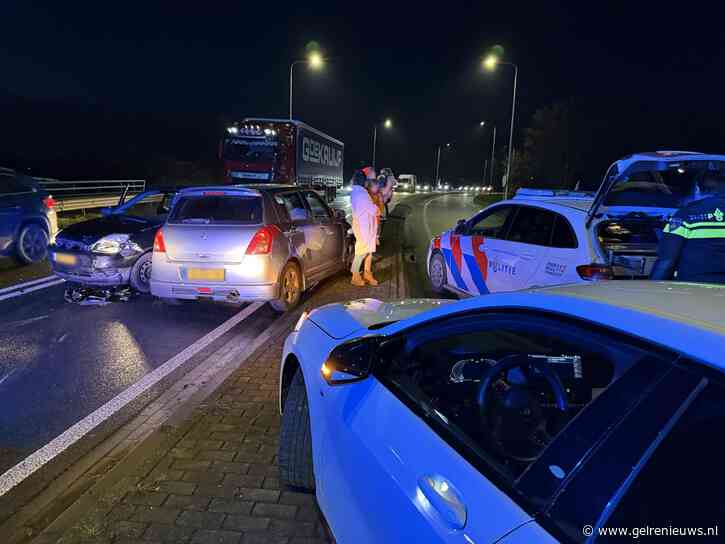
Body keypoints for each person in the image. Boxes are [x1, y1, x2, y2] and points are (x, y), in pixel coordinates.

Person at [650, 172, 725, 283]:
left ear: (697, 189)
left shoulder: (686, 214)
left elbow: (667, 260)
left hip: (692, 290)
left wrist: (653, 289)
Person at [350, 168, 380, 286]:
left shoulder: (357, 192)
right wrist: (377, 209)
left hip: (365, 226)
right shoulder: (361, 193)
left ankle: (367, 274)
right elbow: (373, 209)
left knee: (368, 251)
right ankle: (355, 275)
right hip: (364, 227)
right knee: (361, 252)